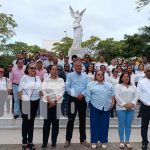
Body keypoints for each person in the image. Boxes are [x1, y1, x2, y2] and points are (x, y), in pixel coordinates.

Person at [86, 70, 115, 149]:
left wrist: (113, 102)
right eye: (98, 74)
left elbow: (113, 94)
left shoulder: (109, 85)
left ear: (104, 76)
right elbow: (88, 96)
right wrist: (89, 105)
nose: (100, 75)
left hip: (106, 107)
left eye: (101, 74)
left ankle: (104, 141)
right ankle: (94, 141)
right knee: (94, 125)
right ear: (95, 76)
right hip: (94, 106)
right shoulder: (90, 84)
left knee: (105, 125)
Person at [64, 61, 90, 148]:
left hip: (82, 100)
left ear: (82, 67)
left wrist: (82, 94)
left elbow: (88, 87)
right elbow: (67, 88)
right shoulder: (70, 75)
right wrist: (76, 95)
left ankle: (83, 140)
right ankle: (68, 140)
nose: (79, 67)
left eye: (80, 66)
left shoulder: (85, 76)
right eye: (77, 66)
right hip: (72, 100)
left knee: (82, 120)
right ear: (74, 67)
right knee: (71, 119)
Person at [18, 63, 42, 150]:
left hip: (35, 101)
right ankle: (24, 142)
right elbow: (20, 91)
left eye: (34, 68)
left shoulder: (38, 78)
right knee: (25, 122)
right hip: (25, 101)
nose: (33, 69)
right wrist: (23, 99)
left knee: (31, 121)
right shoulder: (24, 77)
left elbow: (40, 91)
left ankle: (30, 141)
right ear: (27, 69)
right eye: (31, 68)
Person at [42, 65, 65, 149]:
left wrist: (54, 101)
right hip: (46, 103)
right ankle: (44, 143)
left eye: (56, 69)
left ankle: (54, 142)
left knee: (56, 125)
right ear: (50, 70)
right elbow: (44, 90)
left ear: (58, 71)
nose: (55, 71)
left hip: (57, 104)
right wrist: (50, 101)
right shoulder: (46, 79)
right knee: (46, 125)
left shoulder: (61, 80)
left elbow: (61, 91)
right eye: (53, 69)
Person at [115, 72, 139, 149]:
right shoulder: (118, 86)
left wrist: (132, 104)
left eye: (127, 77)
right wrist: (124, 104)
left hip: (131, 108)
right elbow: (116, 96)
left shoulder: (133, 86)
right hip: (121, 108)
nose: (126, 78)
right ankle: (121, 141)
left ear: (129, 78)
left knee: (128, 126)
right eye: (124, 77)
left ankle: (127, 141)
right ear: (121, 78)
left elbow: (137, 96)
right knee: (121, 125)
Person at [137, 64, 150, 150]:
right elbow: (139, 95)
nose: (149, 72)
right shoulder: (141, 82)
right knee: (144, 126)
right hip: (146, 106)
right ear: (145, 72)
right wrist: (148, 103)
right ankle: (144, 142)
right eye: (148, 70)